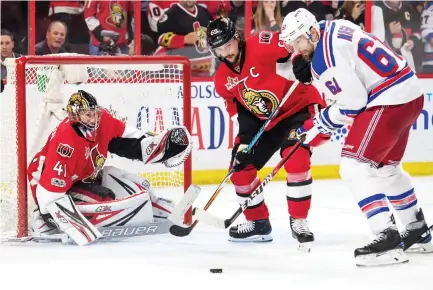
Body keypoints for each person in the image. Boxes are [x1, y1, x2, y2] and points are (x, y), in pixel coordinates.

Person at [280, 8, 432, 266]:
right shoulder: (333, 26)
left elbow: (353, 105)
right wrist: (320, 82)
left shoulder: (323, 58)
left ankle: (387, 236)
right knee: (386, 169)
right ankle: (416, 229)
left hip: (390, 97)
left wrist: (317, 124)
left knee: (353, 166)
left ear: (312, 32)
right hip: (409, 91)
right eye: (291, 43)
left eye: (298, 41)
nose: (296, 49)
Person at [206, 17, 330, 250]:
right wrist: (243, 144)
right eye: (219, 49)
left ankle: (299, 221)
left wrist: (299, 61)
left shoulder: (261, 44)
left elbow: (292, 44)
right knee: (240, 169)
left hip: (298, 110)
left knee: (295, 156)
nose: (225, 52)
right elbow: (241, 113)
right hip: (268, 122)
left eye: (228, 44)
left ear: (237, 38)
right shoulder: (222, 79)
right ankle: (258, 223)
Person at [27, 90, 193, 246]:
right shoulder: (65, 143)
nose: (94, 119)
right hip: (53, 188)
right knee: (104, 200)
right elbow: (50, 195)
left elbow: (129, 141)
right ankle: (41, 222)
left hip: (84, 178)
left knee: (136, 185)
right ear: (75, 115)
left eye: (95, 113)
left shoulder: (103, 120)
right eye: (88, 115)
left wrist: (162, 147)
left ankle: (153, 207)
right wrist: (57, 218)